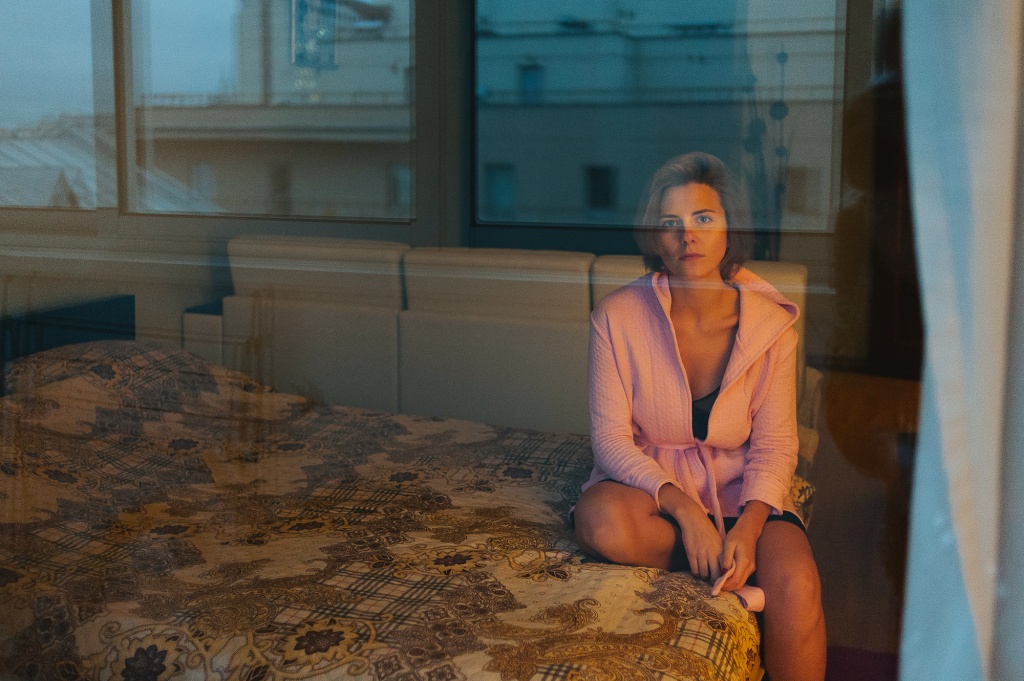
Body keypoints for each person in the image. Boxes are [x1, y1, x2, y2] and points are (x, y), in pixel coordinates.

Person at [573, 152, 826, 681]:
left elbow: (776, 446)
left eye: (703, 218)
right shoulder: (615, 317)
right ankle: (719, 567)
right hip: (655, 497)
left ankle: (733, 561)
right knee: (598, 522)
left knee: (798, 586)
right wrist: (689, 515)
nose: (687, 235)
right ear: (655, 236)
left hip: (741, 492)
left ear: (729, 227)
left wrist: (749, 528)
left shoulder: (771, 326)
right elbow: (611, 442)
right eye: (671, 222)